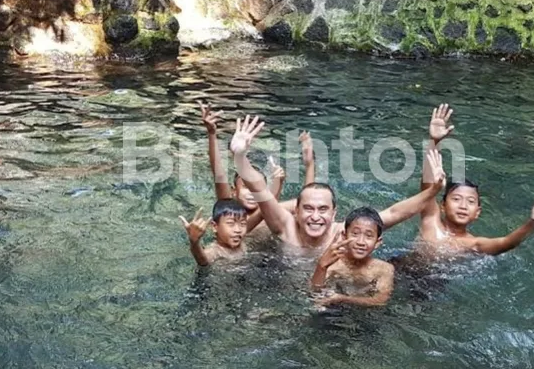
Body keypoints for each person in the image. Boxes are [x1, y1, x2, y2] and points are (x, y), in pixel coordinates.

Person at [230, 114, 447, 253]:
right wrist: (239, 156)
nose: (316, 217)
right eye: (308, 209)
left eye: (323, 209)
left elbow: (393, 213)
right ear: (296, 211)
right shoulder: (284, 226)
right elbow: (259, 187)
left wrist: (434, 191)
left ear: (334, 213)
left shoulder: (345, 233)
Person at [417, 103, 534, 255]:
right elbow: (427, 188)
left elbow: (506, 243)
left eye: (471, 201)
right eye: (456, 199)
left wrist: (532, 223)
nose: (463, 206)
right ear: (442, 205)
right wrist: (434, 141)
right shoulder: (431, 221)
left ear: (477, 212)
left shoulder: (474, 244)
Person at [200, 103, 314, 233]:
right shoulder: (227, 212)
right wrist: (212, 133)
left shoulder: (275, 211)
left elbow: (308, 203)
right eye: (245, 187)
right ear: (234, 191)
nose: (252, 193)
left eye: (255, 189)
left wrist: (309, 164)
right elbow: (219, 174)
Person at [310, 207, 394, 309]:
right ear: (344, 236)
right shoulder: (333, 262)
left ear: (377, 242)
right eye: (355, 234)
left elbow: (381, 300)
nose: (361, 242)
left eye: (369, 236)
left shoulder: (384, 269)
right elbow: (314, 292)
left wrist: (343, 299)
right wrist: (321, 266)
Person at [180, 199, 249, 266]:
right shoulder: (214, 251)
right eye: (231, 223)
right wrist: (194, 241)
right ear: (215, 226)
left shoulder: (243, 245)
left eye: (243, 224)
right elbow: (202, 261)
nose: (238, 230)